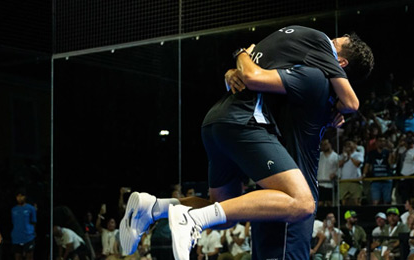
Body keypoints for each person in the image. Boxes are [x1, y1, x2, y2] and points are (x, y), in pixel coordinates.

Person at [120, 25, 373, 260]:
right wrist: (240, 62)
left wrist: (242, 57)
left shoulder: (313, 76)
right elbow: (254, 77)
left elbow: (254, 76)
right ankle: (193, 219)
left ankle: (153, 207)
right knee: (303, 202)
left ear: (339, 63)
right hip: (243, 125)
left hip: (219, 123)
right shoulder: (312, 79)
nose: (326, 41)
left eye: (333, 43)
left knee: (223, 212)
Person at [362, 134, 395, 205]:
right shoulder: (371, 153)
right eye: (380, 141)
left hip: (387, 179)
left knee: (387, 201)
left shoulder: (387, 152)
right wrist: (364, 174)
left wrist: (391, 151)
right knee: (375, 201)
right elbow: (367, 165)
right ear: (376, 142)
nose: (382, 143)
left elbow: (391, 163)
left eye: (383, 141)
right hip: (375, 180)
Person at [11, 189, 37, 260]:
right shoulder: (13, 209)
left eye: (21, 196)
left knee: (29, 257)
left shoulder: (30, 208)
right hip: (16, 237)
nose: (20, 198)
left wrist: (33, 232)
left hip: (28, 236)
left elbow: (34, 221)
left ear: (25, 197)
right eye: (18, 196)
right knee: (17, 257)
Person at [339, 140, 364, 206]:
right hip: (344, 181)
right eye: (347, 145)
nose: (348, 146)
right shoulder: (342, 155)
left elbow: (357, 164)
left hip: (355, 181)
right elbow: (339, 165)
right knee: (343, 202)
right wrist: (345, 157)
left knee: (356, 202)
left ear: (354, 145)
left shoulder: (358, 154)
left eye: (350, 144)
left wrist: (350, 156)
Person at [317, 139, 339, 207]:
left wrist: (335, 174)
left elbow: (339, 168)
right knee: (319, 203)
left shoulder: (336, 156)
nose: (323, 146)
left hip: (329, 184)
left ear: (330, 145)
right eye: (322, 145)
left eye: (325, 144)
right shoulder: (319, 155)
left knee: (330, 203)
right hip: (320, 182)